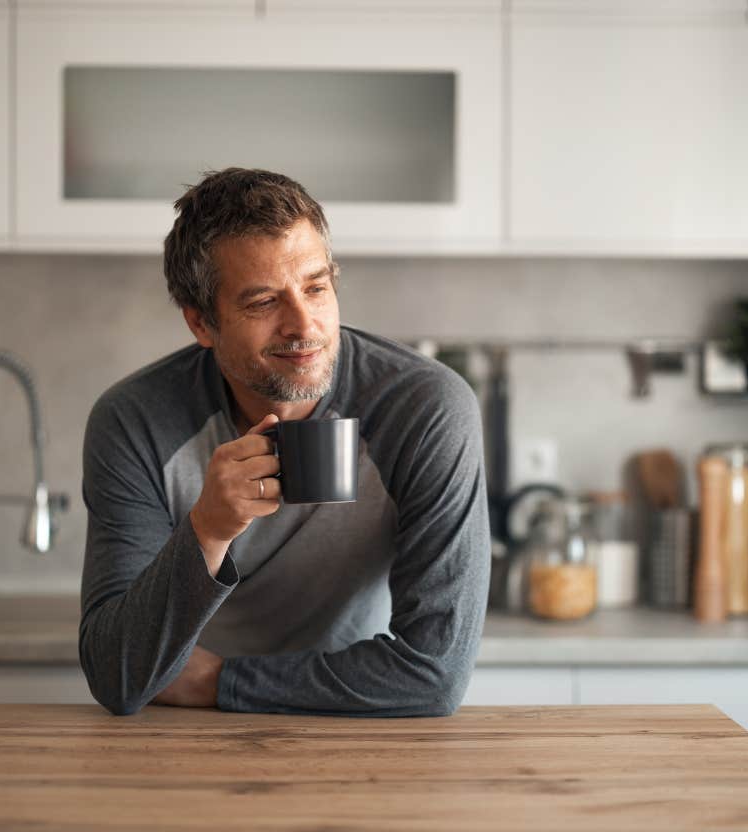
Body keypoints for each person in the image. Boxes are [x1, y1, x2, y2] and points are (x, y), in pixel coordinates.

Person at [79, 167, 490, 716]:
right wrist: (207, 531)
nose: (304, 325)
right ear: (201, 324)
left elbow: (435, 676)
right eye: (263, 302)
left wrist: (217, 682)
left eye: (316, 288)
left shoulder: (425, 408)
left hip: (358, 722)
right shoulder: (136, 421)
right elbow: (118, 675)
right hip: (187, 737)